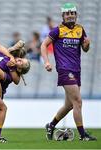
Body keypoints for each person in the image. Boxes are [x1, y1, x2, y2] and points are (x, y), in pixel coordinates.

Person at [41, 3, 97, 141]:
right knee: (78, 101)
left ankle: (51, 125)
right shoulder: (57, 31)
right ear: (63, 16)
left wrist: (87, 45)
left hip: (77, 70)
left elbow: (84, 49)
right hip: (65, 69)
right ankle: (83, 135)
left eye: (73, 13)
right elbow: (43, 45)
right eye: (68, 13)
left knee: (69, 105)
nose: (70, 15)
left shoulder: (80, 29)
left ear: (76, 15)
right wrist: (47, 62)